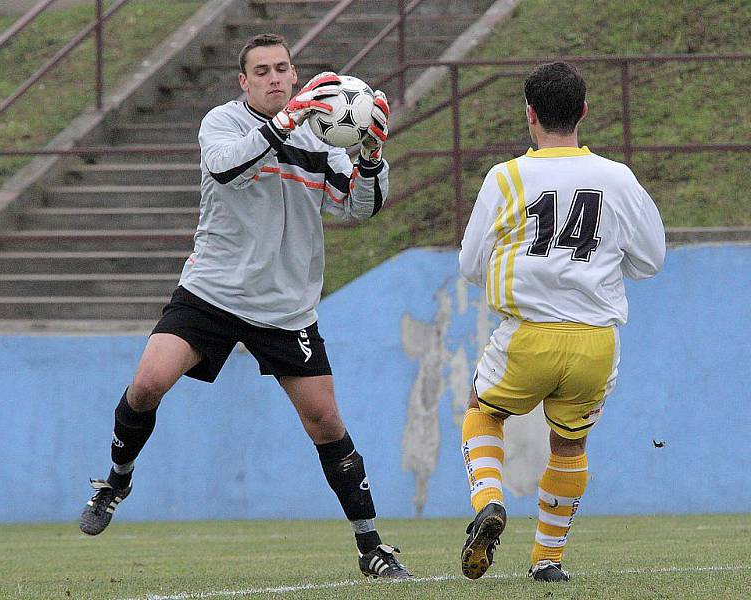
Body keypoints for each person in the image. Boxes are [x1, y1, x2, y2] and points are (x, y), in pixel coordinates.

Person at [79, 33, 411, 580]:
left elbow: (360, 208)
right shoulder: (222, 124)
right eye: (262, 71)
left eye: (283, 68)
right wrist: (285, 123)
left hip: (285, 307)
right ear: (244, 81)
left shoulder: (322, 137)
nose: (276, 78)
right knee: (147, 385)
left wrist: (371, 154)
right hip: (212, 293)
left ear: (295, 74)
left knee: (326, 421)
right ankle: (116, 480)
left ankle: (371, 548)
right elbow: (230, 170)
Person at [457, 61, 665, 582]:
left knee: (483, 410)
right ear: (584, 113)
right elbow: (651, 260)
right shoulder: (617, 178)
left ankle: (488, 501)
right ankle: (547, 561)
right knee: (570, 444)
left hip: (529, 335)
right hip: (596, 341)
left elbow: (468, 265)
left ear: (530, 114)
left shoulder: (505, 178)